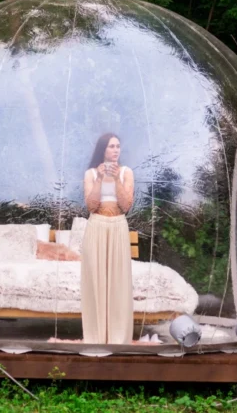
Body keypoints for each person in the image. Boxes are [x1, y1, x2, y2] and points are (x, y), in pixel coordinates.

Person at [80, 133, 135, 344]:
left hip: (118, 226)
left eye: (118, 146)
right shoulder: (91, 174)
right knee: (96, 280)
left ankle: (118, 337)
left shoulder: (127, 172)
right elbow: (91, 206)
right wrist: (100, 179)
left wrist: (116, 178)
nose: (115, 150)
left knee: (118, 281)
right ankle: (96, 337)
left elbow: (126, 205)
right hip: (97, 226)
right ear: (103, 149)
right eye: (111, 146)